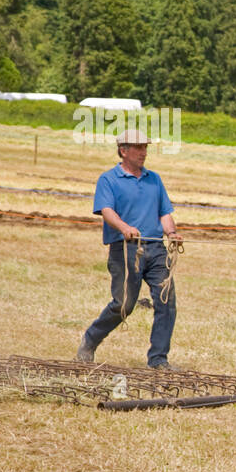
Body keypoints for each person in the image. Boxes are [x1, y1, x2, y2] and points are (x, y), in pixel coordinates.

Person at [76, 128, 182, 370]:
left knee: (166, 302)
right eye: (139, 147)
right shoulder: (108, 179)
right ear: (123, 151)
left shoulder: (154, 179)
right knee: (124, 303)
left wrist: (172, 233)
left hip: (156, 249)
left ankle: (158, 360)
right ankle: (90, 340)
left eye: (145, 147)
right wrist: (124, 227)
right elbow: (106, 211)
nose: (144, 152)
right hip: (125, 250)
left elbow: (164, 213)